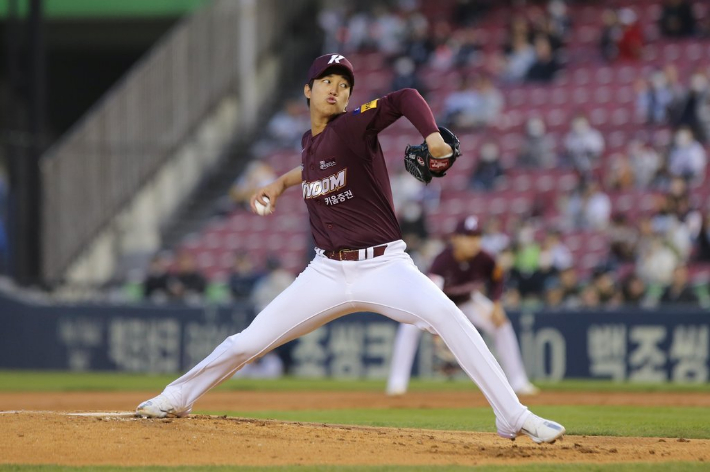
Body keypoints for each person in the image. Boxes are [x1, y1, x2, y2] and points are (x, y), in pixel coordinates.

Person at [135, 53, 565, 444]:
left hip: (385, 266)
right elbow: (307, 167)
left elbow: (405, 96)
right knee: (248, 342)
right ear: (308, 90)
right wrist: (278, 185)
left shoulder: (353, 126)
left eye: (343, 82)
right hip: (326, 273)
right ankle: (176, 397)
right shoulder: (311, 144)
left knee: (448, 316)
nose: (336, 87)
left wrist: (431, 135)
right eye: (326, 79)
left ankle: (512, 416)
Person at [386, 216, 539, 397]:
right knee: (409, 327)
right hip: (440, 302)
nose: (474, 242)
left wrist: (497, 304)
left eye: (477, 237)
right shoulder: (442, 261)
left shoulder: (485, 258)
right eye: (468, 237)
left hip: (468, 302)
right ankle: (397, 382)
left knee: (502, 325)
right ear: (455, 239)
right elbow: (432, 296)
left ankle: (519, 381)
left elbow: (497, 278)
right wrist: (436, 329)